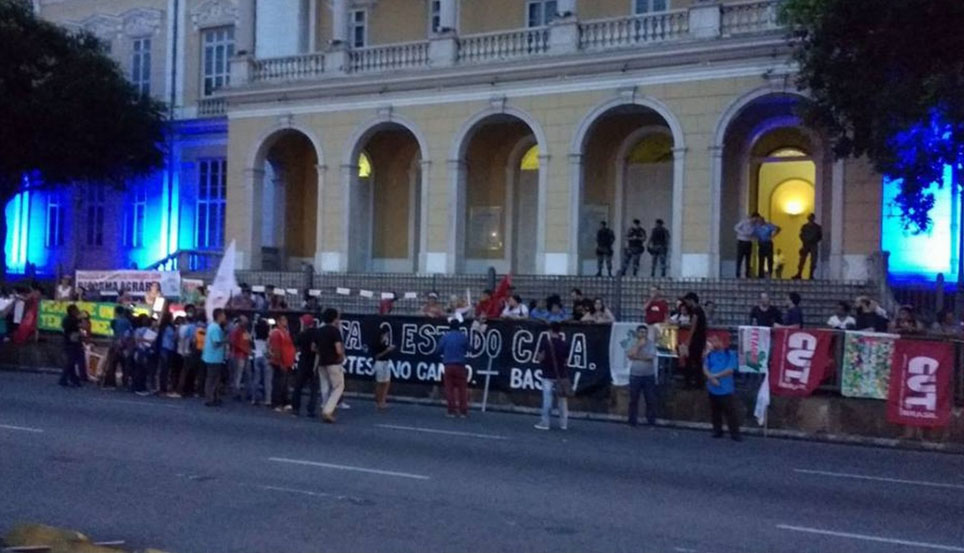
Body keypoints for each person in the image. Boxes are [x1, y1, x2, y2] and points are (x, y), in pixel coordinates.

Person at [703, 335, 742, 441]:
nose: (713, 343)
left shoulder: (730, 354)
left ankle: (735, 433)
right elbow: (705, 367)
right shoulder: (709, 355)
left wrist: (715, 376)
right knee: (715, 411)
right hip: (712, 387)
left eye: (715, 341)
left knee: (730, 412)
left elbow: (730, 370)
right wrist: (710, 378)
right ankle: (717, 430)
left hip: (725, 388)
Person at [534, 322, 569, 431]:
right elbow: (566, 361)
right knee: (562, 401)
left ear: (550, 331)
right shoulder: (565, 344)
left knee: (547, 399)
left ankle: (545, 422)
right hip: (561, 375)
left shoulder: (545, 343)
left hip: (547, 373)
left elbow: (540, 358)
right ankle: (563, 424)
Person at [315, 308, 346, 423]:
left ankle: (325, 405)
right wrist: (341, 356)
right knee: (338, 387)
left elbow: (314, 347)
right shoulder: (335, 331)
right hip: (333, 362)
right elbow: (338, 349)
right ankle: (328, 410)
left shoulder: (319, 330)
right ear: (334, 318)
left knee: (325, 386)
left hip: (322, 361)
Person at [436, 319, 470, 418]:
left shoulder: (445, 337)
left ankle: (451, 411)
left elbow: (438, 349)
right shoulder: (462, 337)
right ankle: (463, 411)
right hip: (460, 365)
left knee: (449, 389)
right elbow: (469, 348)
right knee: (462, 389)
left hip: (448, 365)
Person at [627, 325, 658, 427]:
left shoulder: (651, 344)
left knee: (650, 399)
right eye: (641, 332)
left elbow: (650, 357)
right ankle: (632, 421)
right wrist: (639, 346)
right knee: (633, 399)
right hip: (635, 375)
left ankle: (651, 421)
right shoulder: (632, 342)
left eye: (645, 332)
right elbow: (630, 355)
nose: (643, 334)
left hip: (648, 375)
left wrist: (637, 356)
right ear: (637, 333)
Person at [290, 315, 321, 418]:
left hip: (303, 361)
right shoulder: (317, 333)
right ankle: (311, 409)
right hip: (314, 362)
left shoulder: (303, 334)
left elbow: (296, 343)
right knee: (314, 388)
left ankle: (296, 408)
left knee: (298, 386)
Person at [268, 315, 296, 410]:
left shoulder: (285, 332)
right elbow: (277, 349)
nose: (285, 322)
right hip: (280, 362)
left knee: (285, 383)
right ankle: (276, 403)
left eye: (285, 320)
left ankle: (284, 402)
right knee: (279, 383)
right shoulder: (277, 333)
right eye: (283, 320)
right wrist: (280, 362)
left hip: (287, 361)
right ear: (278, 322)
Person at [202, 309, 228, 407]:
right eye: (223, 315)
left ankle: (213, 396)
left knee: (214, 378)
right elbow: (216, 342)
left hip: (212, 356)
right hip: (214, 357)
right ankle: (210, 398)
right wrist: (225, 340)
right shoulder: (215, 328)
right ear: (219, 316)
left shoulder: (212, 326)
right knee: (212, 378)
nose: (225, 317)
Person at [680, 292, 706, 389]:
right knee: (697, 361)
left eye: (687, 301)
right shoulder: (699, 310)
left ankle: (689, 383)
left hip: (696, 339)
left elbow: (693, 326)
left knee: (689, 360)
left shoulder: (696, 311)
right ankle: (699, 382)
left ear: (691, 300)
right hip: (700, 338)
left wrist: (688, 340)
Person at [371, 325, 396, 410]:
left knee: (386, 382)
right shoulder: (377, 344)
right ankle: (378, 402)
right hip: (380, 363)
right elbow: (377, 356)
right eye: (386, 334)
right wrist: (387, 350)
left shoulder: (385, 343)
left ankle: (383, 400)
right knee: (380, 382)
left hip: (386, 363)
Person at [59, 304, 84, 388]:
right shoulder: (73, 320)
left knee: (71, 361)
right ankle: (65, 378)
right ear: (72, 311)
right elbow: (82, 326)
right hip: (72, 342)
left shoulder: (66, 319)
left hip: (67, 341)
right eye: (76, 310)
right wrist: (81, 318)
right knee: (71, 361)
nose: (78, 311)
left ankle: (73, 379)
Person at [228, 315, 252, 401]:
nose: (246, 323)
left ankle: (247, 392)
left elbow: (248, 342)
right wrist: (246, 349)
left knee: (247, 375)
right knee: (238, 375)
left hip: (245, 355)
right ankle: (236, 392)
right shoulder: (236, 331)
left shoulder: (245, 331)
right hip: (239, 355)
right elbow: (234, 343)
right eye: (244, 321)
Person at [794, 213, 823, 280]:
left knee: (813, 260)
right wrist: (804, 240)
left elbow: (820, 236)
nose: (811, 219)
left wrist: (814, 240)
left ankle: (811, 275)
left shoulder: (817, 227)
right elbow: (801, 235)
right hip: (805, 244)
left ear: (814, 218)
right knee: (802, 260)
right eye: (810, 217)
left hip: (813, 245)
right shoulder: (804, 226)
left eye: (812, 217)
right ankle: (799, 273)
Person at [133, 315, 156, 396]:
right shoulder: (139, 330)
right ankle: (139, 387)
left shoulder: (147, 330)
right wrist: (148, 341)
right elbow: (137, 340)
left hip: (145, 350)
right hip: (141, 350)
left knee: (143, 370)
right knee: (141, 370)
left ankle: (141, 386)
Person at [250, 318, 272, 405]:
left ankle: (254, 398)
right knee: (267, 380)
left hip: (257, 356)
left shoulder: (255, 336)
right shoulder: (268, 337)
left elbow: (251, 339)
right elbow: (268, 347)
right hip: (265, 357)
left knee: (256, 379)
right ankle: (268, 400)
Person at [157, 313, 176, 395]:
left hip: (163, 348)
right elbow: (174, 337)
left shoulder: (162, 327)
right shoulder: (169, 328)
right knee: (165, 369)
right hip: (167, 348)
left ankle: (162, 386)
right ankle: (163, 387)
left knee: (163, 369)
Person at [733, 214, 758, 278]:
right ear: (752, 218)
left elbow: (755, 233)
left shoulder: (755, 225)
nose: (755, 221)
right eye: (754, 219)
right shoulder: (744, 222)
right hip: (741, 241)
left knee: (748, 258)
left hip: (748, 242)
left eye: (756, 220)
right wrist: (743, 233)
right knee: (740, 258)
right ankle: (738, 273)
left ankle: (747, 273)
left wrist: (753, 237)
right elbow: (736, 228)